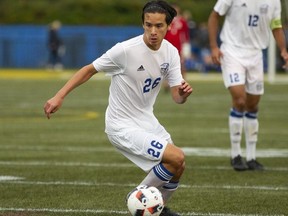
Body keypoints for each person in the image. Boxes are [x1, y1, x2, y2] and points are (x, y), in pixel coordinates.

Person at [44, 1, 193, 215]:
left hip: (146, 121)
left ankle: (155, 210)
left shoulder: (171, 53)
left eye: (159, 26)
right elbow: (88, 69)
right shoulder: (125, 50)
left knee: (179, 166)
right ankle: (136, 199)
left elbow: (177, 98)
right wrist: (59, 96)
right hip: (121, 126)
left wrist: (184, 94)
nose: (153, 31)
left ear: (169, 26)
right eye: (148, 25)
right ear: (142, 23)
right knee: (175, 156)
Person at [208, 0, 288, 171]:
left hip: (255, 55)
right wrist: (214, 46)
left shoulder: (274, 2)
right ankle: (235, 155)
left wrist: (283, 50)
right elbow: (214, 16)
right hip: (231, 51)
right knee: (240, 99)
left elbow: (276, 25)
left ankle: (251, 157)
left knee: (252, 106)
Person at [164, 3, 190, 91]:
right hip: (167, 46)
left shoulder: (182, 21)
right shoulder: (166, 20)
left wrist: (186, 48)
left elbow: (185, 35)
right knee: (166, 66)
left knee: (182, 65)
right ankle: (167, 84)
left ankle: (183, 83)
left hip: (179, 47)